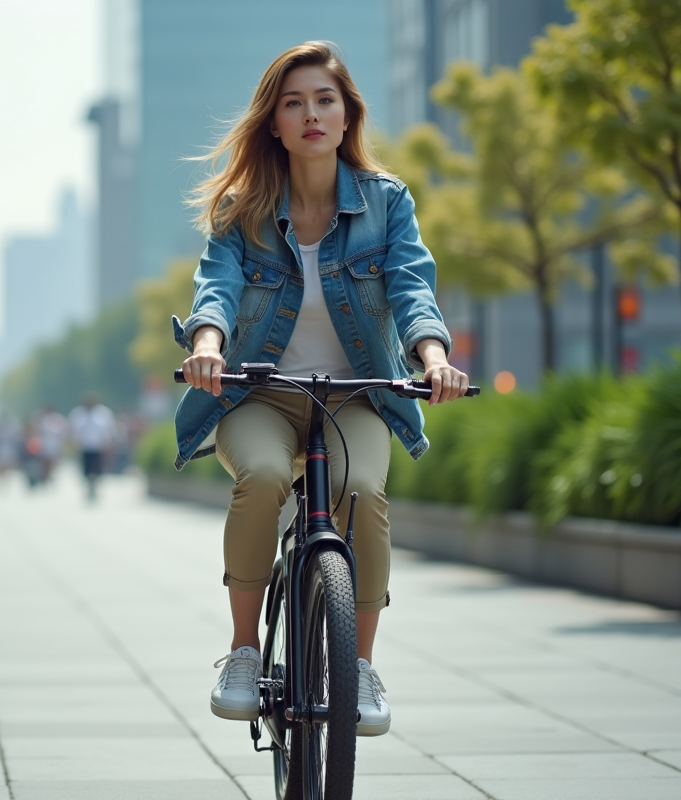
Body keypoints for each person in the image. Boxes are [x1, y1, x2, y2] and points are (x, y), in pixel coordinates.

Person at [174, 41, 470, 735]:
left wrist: (432, 359)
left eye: (325, 100)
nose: (311, 114)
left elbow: (411, 288)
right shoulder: (242, 209)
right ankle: (245, 652)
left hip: (356, 393)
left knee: (363, 493)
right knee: (265, 476)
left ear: (347, 116)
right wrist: (207, 346)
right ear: (274, 123)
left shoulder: (387, 203)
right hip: (260, 394)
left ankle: (360, 667)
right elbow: (215, 288)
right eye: (294, 103)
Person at [68, 393, 116, 501]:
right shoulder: (77, 414)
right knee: (86, 470)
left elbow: (110, 429)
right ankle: (89, 487)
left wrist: (110, 444)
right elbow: (72, 431)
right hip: (84, 447)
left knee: (97, 469)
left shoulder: (103, 413)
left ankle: (94, 486)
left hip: (98, 447)